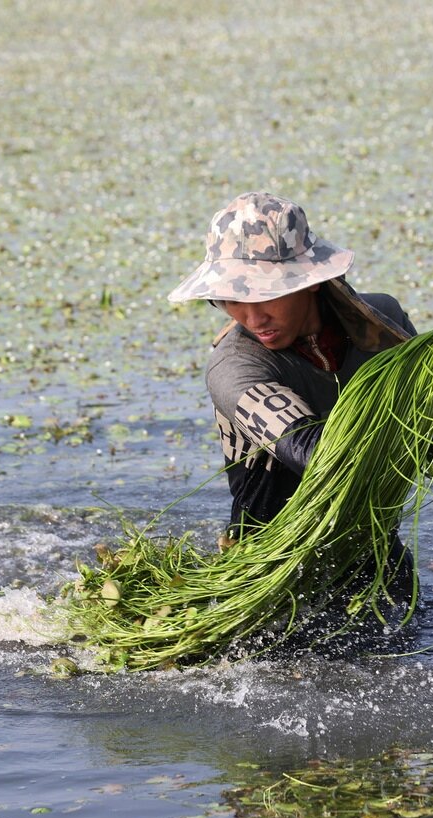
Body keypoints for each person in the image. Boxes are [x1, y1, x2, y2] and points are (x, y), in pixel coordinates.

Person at [168, 191, 417, 595]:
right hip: (274, 576)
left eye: (266, 295)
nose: (252, 317)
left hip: (375, 554)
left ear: (311, 283)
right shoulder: (236, 366)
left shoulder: (380, 322)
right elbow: (319, 456)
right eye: (233, 299)